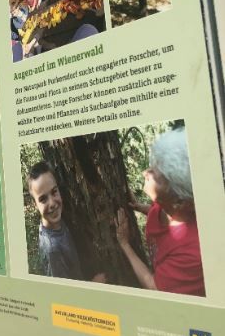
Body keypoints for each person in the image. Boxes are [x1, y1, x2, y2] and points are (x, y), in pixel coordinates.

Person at [115, 127, 205, 296]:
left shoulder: (193, 252)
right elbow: (165, 215)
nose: (144, 172)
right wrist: (142, 208)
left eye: (156, 175)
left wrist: (124, 244)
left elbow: (153, 286)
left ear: (179, 200)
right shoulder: (169, 204)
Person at [27, 161, 106, 282]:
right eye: (43, 199)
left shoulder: (58, 221)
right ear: (35, 205)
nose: (52, 203)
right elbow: (63, 297)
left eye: (54, 192)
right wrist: (95, 284)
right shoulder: (53, 251)